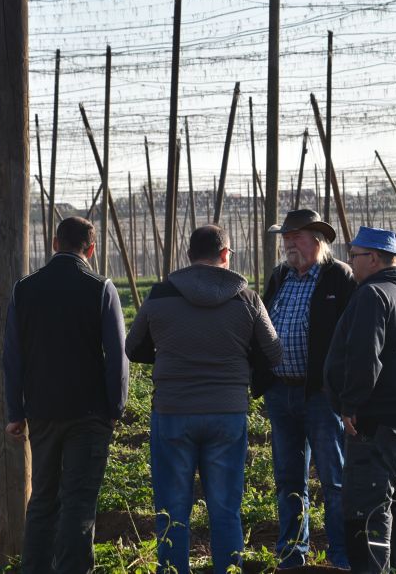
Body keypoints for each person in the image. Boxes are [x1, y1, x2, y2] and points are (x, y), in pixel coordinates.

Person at [126, 224, 281, 574]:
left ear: (189, 255)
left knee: (172, 506)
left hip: (173, 411)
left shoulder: (161, 295)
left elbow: (132, 347)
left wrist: (169, 354)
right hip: (227, 412)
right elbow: (274, 351)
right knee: (225, 507)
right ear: (226, 255)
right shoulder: (247, 299)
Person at [2, 216, 129, 574]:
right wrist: (115, 407)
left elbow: (12, 356)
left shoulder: (24, 289)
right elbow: (116, 356)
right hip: (89, 414)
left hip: (41, 412)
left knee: (42, 498)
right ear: (91, 249)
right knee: (78, 501)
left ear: (54, 244)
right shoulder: (100, 287)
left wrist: (16, 411)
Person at [324, 226, 396, 574]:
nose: (349, 262)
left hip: (378, 419)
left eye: (354, 256)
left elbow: (366, 357)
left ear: (375, 258)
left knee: (368, 507)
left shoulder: (372, 295)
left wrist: (350, 404)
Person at [259, 209, 356, 569]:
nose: (288, 244)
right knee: (287, 478)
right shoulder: (280, 276)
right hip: (281, 392)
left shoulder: (338, 278)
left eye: (295, 237)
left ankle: (341, 552)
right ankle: (292, 552)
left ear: (318, 240)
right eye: (285, 238)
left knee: (334, 477)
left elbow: (352, 338)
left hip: (321, 395)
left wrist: (343, 389)